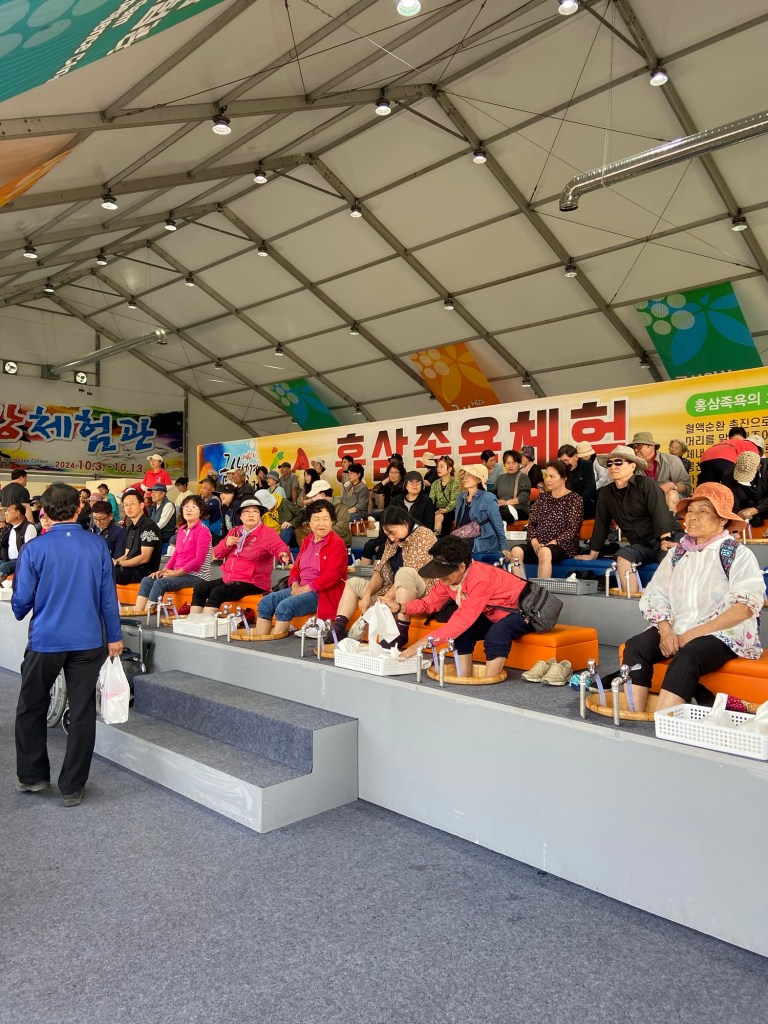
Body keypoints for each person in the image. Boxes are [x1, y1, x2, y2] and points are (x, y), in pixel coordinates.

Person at [12, 482, 123, 807]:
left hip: (46, 640)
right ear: (79, 508)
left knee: (31, 706)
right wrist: (115, 636)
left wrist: (24, 604)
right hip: (89, 641)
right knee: (83, 710)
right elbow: (108, 596)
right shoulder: (97, 545)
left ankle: (33, 776)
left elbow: (21, 603)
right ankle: (72, 786)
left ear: (45, 512)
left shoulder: (34, 548)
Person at [622, 484, 764, 713]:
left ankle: (664, 721)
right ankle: (633, 714)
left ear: (723, 520)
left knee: (689, 654)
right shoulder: (677, 553)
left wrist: (692, 634)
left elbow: (745, 607)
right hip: (679, 627)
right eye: (690, 510)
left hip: (722, 632)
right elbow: (655, 594)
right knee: (636, 646)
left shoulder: (736, 554)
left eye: (703, 510)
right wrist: (666, 631)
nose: (693, 516)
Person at [394, 536, 533, 678]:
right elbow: (428, 603)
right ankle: (464, 679)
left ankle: (489, 684)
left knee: (497, 633)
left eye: (444, 571)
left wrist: (420, 645)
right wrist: (400, 607)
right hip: (495, 613)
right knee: (462, 634)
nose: (440, 576)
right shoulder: (449, 580)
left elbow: (462, 620)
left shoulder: (481, 578)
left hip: (527, 611)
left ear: (461, 567)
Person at [325, 507, 437, 651]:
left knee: (405, 573)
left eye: (392, 532)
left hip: (421, 590)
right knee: (353, 583)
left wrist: (386, 599)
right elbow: (380, 571)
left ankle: (401, 631)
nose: (391, 538)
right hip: (392, 589)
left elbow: (413, 571)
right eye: (387, 534)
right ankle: (339, 628)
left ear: (405, 523)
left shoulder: (424, 535)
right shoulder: (392, 541)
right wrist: (367, 595)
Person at [576, 446, 678, 596]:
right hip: (641, 545)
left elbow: (660, 513)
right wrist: (593, 553)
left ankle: (671, 603)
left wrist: (665, 540)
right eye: (609, 464)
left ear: (632, 466)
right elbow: (601, 524)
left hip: (667, 538)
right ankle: (633, 599)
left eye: (618, 462)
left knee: (669, 560)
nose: (613, 467)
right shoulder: (605, 493)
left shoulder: (646, 484)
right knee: (622, 557)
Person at [255, 499, 348, 639]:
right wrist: (295, 585)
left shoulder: (337, 543)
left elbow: (332, 575)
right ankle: (260, 641)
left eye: (325, 519)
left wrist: (304, 589)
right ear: (309, 523)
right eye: (316, 519)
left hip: (322, 593)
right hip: (300, 588)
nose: (321, 523)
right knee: (266, 602)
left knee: (284, 607)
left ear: (332, 522)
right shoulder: (307, 541)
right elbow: (296, 569)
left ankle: (273, 644)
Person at [190, 497, 291, 614]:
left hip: (253, 582)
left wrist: (283, 554)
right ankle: (193, 620)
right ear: (241, 517)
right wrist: (226, 544)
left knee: (218, 592)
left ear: (260, 516)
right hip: (229, 578)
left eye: (255, 511)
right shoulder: (235, 531)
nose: (251, 515)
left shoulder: (268, 533)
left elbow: (278, 546)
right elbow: (217, 554)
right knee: (200, 588)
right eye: (246, 512)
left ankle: (205, 622)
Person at [123, 496, 213, 615]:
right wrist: (163, 571)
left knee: (161, 582)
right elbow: (176, 554)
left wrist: (176, 573)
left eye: (193, 507)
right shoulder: (182, 529)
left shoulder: (203, 531)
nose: (188, 509)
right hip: (180, 573)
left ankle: (148, 614)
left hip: (197, 576)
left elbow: (199, 560)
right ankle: (138, 611)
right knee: (147, 580)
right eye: (186, 506)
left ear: (201, 512)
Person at [510, 460, 583, 579]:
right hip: (538, 544)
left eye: (552, 476)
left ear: (564, 478)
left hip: (562, 546)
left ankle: (541, 589)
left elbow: (573, 530)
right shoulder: (542, 497)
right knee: (516, 551)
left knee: (545, 552)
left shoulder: (574, 499)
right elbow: (531, 523)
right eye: (546, 476)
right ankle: (520, 586)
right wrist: (533, 540)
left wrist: (553, 542)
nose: (547, 480)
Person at [453, 464, 508, 558]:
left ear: (479, 480)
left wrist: (504, 547)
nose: (465, 478)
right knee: (442, 543)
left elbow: (498, 523)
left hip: (483, 539)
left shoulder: (488, 497)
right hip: (463, 536)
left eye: (469, 475)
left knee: (453, 546)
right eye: (464, 475)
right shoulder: (461, 497)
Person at [628, 431, 690, 509]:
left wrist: (672, 485)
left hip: (670, 500)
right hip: (646, 500)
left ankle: (669, 517)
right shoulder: (632, 465)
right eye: (634, 447)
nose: (636, 450)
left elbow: (686, 487)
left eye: (639, 446)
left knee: (672, 494)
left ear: (651, 446)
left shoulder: (671, 460)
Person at [114, 489, 162, 584]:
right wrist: (112, 562)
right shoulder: (130, 527)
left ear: (141, 505)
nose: (128, 508)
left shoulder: (149, 526)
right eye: (126, 505)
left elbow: (145, 557)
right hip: (130, 569)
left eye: (132, 504)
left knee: (112, 573)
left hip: (144, 572)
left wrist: (119, 563)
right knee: (102, 570)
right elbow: (127, 555)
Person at [294, 479, 351, 548]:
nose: (312, 499)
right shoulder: (316, 506)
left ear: (322, 495)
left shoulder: (340, 506)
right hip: (320, 542)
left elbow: (341, 529)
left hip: (338, 544)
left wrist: (320, 532)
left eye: (314, 496)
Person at [722, 451, 768, 525]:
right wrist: (736, 516)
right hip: (746, 505)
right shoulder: (729, 475)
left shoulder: (766, 470)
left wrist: (756, 509)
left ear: (759, 466)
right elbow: (732, 499)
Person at [557, 443, 596, 519]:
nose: (564, 463)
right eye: (561, 461)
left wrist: (576, 504)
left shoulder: (586, 465)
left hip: (585, 505)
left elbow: (590, 487)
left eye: (566, 460)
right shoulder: (560, 469)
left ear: (576, 457)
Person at [0, 503, 37, 580]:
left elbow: (29, 552)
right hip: (9, 560)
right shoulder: (10, 528)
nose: (6, 514)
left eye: (9, 511)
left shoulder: (28, 527)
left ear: (17, 513)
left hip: (22, 561)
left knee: (3, 567)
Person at [496, 449, 531, 524]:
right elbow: (493, 495)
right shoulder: (500, 478)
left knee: (497, 515)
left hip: (519, 510)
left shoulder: (523, 477)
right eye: (508, 463)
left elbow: (524, 497)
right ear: (504, 464)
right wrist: (497, 501)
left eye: (513, 463)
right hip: (502, 509)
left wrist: (506, 502)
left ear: (519, 464)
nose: (510, 466)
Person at [429, 456, 461, 536]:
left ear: (449, 469)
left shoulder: (455, 482)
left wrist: (446, 510)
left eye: (442, 467)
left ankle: (436, 536)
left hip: (451, 510)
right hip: (438, 509)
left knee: (440, 516)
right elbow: (431, 500)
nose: (438, 469)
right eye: (438, 467)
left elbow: (454, 501)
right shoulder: (435, 483)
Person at [199, 477, 223, 543]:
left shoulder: (215, 500)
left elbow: (202, 512)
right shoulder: (202, 499)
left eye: (205, 488)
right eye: (201, 488)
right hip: (205, 529)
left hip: (214, 533)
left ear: (212, 489)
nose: (202, 490)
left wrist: (202, 514)